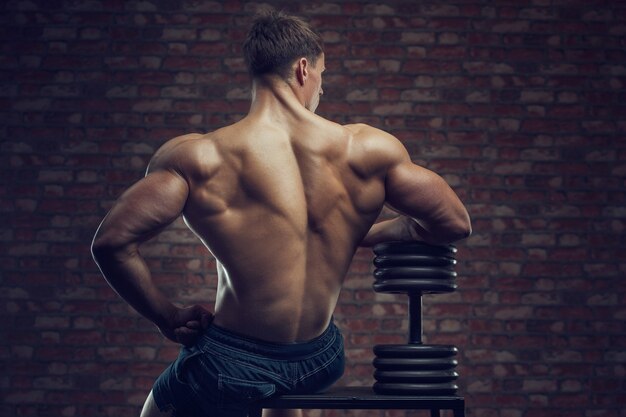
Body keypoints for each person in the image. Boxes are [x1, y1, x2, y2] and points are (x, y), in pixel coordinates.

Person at [91, 8, 471, 417]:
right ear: (304, 69)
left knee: (159, 408)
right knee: (280, 391)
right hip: (320, 359)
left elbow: (112, 244)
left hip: (230, 366)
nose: (321, 89)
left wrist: (166, 317)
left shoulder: (201, 157)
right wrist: (369, 232)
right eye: (324, 76)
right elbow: (454, 223)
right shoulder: (367, 150)